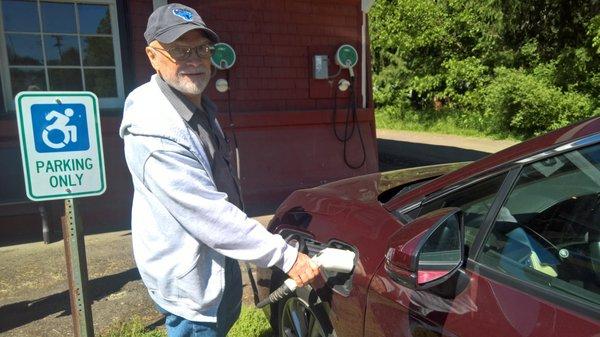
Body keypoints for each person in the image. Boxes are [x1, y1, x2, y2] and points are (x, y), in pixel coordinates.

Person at [119, 4, 320, 337]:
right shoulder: (156, 128)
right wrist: (287, 257)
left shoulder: (196, 104)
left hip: (215, 257)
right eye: (179, 50)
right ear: (152, 56)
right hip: (190, 278)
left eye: (202, 49)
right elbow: (208, 213)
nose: (195, 60)